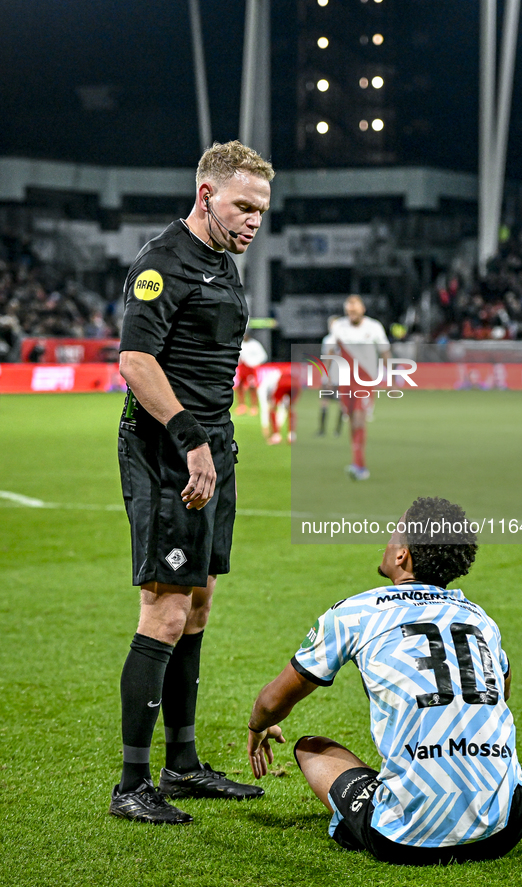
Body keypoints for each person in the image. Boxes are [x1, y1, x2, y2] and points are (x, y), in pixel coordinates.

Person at [110, 140, 275, 824]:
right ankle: (131, 783)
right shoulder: (162, 262)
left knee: (200, 604)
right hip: (168, 452)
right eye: (243, 205)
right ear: (205, 193)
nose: (253, 221)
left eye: (262, 210)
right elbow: (136, 362)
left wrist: (216, 444)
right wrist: (191, 441)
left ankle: (181, 764)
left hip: (214, 449)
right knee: (166, 610)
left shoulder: (222, 263)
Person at [247, 497, 522, 865]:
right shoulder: (481, 620)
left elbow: (272, 702)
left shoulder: (355, 613)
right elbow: (501, 695)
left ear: (403, 556)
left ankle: (402, 801)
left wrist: (259, 726)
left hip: (403, 839)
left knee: (310, 747)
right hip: (504, 830)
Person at [328, 296, 390, 480]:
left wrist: (392, 376)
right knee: (351, 421)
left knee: (359, 420)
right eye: (349, 311)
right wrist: (327, 376)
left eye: (355, 310)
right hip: (344, 381)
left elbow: (385, 351)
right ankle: (357, 461)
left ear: (363, 309)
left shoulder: (374, 327)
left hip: (365, 380)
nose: (352, 313)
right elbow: (330, 351)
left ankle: (359, 466)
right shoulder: (339, 326)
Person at [256, 362, 300, 444]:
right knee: (291, 408)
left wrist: (265, 425)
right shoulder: (276, 375)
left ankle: (276, 436)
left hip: (283, 383)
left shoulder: (264, 386)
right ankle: (291, 436)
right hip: (295, 383)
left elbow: (264, 404)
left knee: (272, 408)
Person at [234, 329, 268, 415]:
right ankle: (242, 405)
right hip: (242, 368)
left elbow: (263, 356)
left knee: (252, 387)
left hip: (251, 368)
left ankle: (254, 406)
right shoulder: (240, 344)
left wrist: (255, 363)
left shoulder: (255, 344)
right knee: (240, 386)